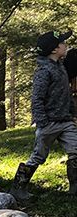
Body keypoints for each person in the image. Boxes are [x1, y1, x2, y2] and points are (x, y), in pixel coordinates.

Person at [11, 30, 77, 200]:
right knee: (38, 156)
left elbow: (66, 93)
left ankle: (74, 188)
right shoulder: (44, 71)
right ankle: (19, 187)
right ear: (54, 49)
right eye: (62, 43)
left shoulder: (61, 67)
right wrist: (42, 122)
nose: (66, 45)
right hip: (49, 123)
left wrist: (72, 113)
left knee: (75, 150)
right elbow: (37, 98)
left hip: (66, 121)